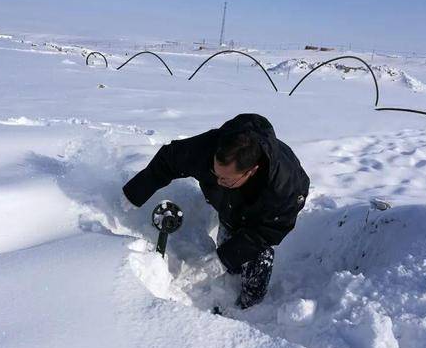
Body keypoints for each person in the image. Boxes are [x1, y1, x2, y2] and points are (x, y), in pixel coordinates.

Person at [122, 113, 310, 309]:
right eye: (215, 173)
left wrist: (223, 259)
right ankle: (231, 273)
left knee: (252, 254)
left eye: (225, 179)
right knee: (229, 250)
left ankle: (251, 306)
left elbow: (269, 230)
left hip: (262, 217)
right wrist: (135, 192)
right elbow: (170, 159)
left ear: (251, 171)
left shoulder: (284, 187)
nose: (218, 181)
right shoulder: (209, 148)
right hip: (229, 206)